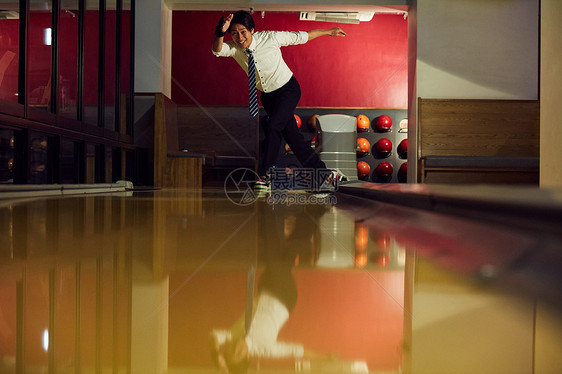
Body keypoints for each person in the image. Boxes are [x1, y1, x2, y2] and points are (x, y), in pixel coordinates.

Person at [212, 10, 349, 191]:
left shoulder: (271, 38)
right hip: (268, 97)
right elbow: (217, 50)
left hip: (288, 89)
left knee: (274, 126)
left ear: (252, 30)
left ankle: (264, 175)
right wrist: (220, 32)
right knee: (293, 138)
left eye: (243, 31)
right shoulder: (235, 48)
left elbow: (302, 37)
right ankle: (327, 174)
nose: (239, 37)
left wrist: (328, 31)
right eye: (235, 33)